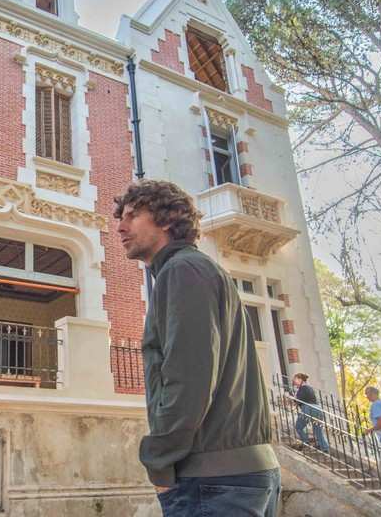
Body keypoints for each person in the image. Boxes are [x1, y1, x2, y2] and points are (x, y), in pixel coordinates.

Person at [115, 179, 280, 517]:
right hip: (236, 476)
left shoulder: (182, 270)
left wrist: (158, 461)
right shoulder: (195, 270)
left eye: (132, 215)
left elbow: (189, 377)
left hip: (213, 482)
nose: (121, 227)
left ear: (166, 219)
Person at [289, 373, 330, 452]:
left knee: (298, 426)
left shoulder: (302, 389)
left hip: (308, 408)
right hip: (318, 409)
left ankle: (305, 441)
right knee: (318, 430)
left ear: (300, 379)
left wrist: (292, 398)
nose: (294, 382)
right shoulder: (309, 388)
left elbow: (298, 401)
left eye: (295, 380)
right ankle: (324, 447)